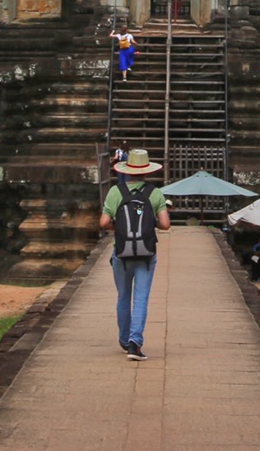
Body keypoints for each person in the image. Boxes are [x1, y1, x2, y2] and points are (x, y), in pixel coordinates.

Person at [99, 147, 170, 360]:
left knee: (123, 297)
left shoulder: (116, 192)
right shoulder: (155, 193)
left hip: (121, 252)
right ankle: (135, 344)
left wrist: (119, 226)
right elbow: (165, 224)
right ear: (147, 171)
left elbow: (103, 222)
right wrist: (150, 222)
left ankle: (123, 339)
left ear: (127, 169)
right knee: (141, 298)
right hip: (146, 254)